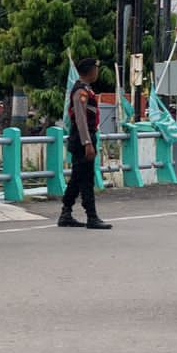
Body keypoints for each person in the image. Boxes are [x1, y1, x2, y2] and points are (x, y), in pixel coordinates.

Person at [58, 58, 111, 230]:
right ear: (89, 71)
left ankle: (66, 212)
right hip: (82, 138)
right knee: (86, 178)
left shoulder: (87, 90)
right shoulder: (80, 91)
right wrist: (87, 142)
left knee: (77, 177)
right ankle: (91, 216)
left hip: (85, 137)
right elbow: (80, 119)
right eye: (96, 69)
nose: (97, 73)